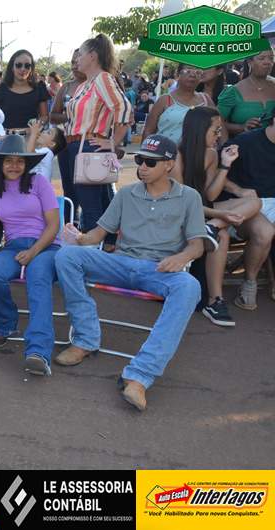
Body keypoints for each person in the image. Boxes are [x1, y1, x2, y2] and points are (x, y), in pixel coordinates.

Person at [55, 134, 205, 411]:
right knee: (66, 256)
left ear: (169, 165)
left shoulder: (189, 197)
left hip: (158, 268)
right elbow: (97, 235)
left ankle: (139, 376)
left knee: (189, 286)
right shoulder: (126, 194)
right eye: (140, 160)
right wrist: (77, 237)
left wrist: (181, 257)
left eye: (150, 162)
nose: (142, 167)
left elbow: (197, 245)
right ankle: (86, 339)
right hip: (121, 262)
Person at [0, 135, 61, 377]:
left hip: (47, 245)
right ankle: (6, 322)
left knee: (37, 276)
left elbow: (54, 224)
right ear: (0, 164)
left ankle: (38, 352)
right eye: (8, 161)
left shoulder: (39, 182)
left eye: (20, 161)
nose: (14, 166)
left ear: (26, 164)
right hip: (14, 246)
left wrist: (34, 251)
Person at [171, 107, 261, 326]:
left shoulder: (211, 154)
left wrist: (225, 164)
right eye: (216, 130)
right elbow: (184, 204)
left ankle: (211, 228)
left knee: (255, 201)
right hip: (179, 214)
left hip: (204, 212)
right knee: (223, 236)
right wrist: (220, 214)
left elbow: (210, 194)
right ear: (200, 130)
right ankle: (214, 300)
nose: (219, 135)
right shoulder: (176, 156)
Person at [64, 34, 132, 244]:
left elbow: (123, 107)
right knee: (98, 201)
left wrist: (113, 142)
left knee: (91, 204)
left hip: (90, 146)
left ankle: (95, 249)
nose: (77, 59)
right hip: (77, 146)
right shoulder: (86, 83)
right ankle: (106, 245)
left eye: (81, 54)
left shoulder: (102, 78)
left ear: (92, 56)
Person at [219, 117, 275, 309]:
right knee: (264, 232)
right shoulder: (245, 142)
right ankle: (249, 284)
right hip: (242, 207)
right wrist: (238, 190)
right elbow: (214, 172)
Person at [50, 49, 87, 219]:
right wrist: (72, 116)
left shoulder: (98, 85)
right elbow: (53, 116)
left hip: (90, 144)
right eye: (72, 62)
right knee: (69, 186)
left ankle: (90, 224)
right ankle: (70, 221)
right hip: (66, 144)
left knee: (89, 187)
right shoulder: (66, 87)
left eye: (77, 62)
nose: (74, 66)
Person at [143, 64, 215, 146]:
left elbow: (219, 127)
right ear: (178, 74)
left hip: (197, 153)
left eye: (197, 72)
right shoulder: (164, 100)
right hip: (164, 152)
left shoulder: (206, 100)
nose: (193, 75)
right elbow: (148, 131)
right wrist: (145, 152)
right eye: (188, 71)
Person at [217, 50, 274, 137]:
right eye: (261, 58)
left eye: (271, 58)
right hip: (244, 143)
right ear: (249, 62)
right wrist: (241, 127)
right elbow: (216, 122)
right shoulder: (233, 91)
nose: (267, 62)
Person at [0, 49, 50, 133]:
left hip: (31, 137)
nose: (23, 69)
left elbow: (44, 116)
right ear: (12, 67)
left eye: (27, 66)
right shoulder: (0, 88)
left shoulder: (39, 88)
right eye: (18, 65)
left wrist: (32, 129)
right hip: (6, 137)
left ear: (31, 69)